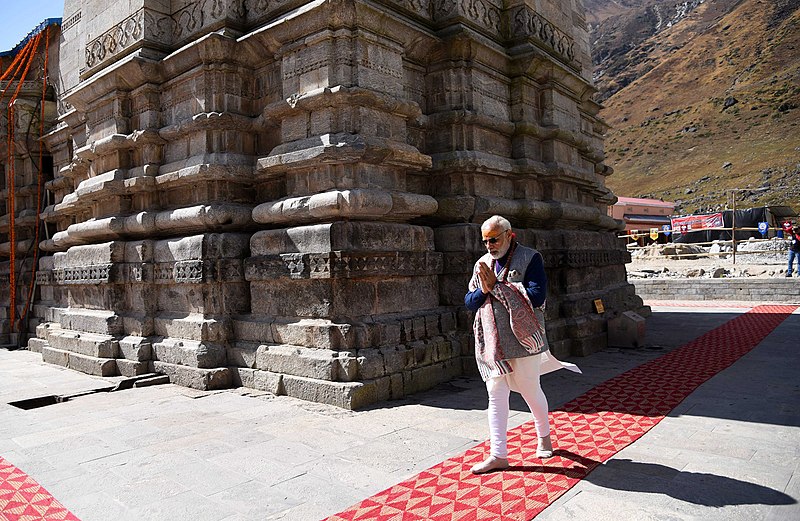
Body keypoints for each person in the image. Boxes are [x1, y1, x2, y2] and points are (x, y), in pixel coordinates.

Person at [464, 215, 579, 474]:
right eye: (485, 241)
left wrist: (498, 287)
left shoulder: (530, 258)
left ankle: (544, 437)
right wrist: (484, 290)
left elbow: (538, 297)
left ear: (508, 234)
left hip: (523, 339)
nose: (489, 246)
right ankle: (498, 455)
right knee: (495, 394)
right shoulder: (482, 264)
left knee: (529, 389)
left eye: (493, 239)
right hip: (492, 343)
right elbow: (470, 301)